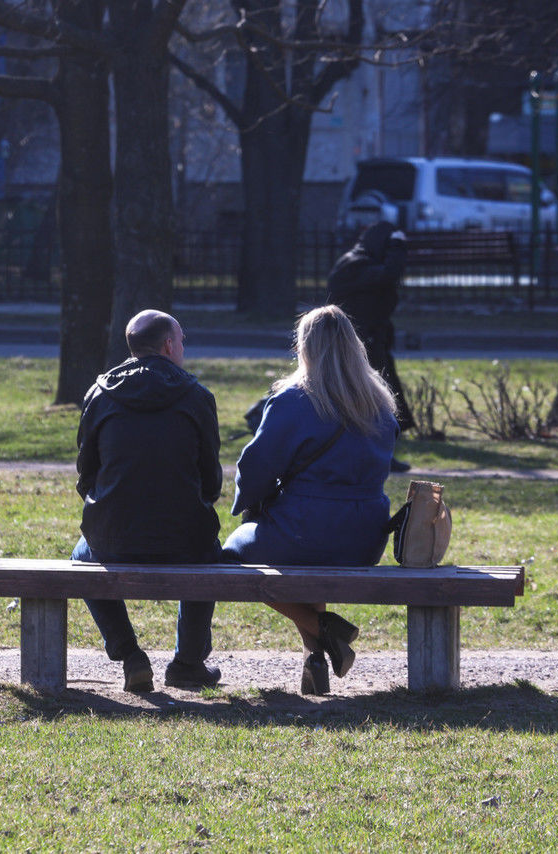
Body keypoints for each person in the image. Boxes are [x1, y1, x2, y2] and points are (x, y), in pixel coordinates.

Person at [222, 305, 399, 695]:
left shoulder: (294, 401)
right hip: (365, 539)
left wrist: (250, 503)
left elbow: (255, 469)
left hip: (302, 531)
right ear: (355, 349)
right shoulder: (382, 406)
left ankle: (323, 629)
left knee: (229, 556)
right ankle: (313, 661)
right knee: (304, 548)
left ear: (304, 349)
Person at [71, 309, 225, 693]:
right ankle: (188, 662)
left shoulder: (100, 394)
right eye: (182, 341)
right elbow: (212, 482)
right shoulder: (197, 396)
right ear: (169, 345)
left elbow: (85, 474)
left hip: (112, 538)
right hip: (186, 542)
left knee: (80, 558)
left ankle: (130, 656)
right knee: (208, 550)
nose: (183, 348)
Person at [326, 220, 415, 471]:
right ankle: (380, 454)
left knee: (378, 396)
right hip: (358, 344)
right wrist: (397, 247)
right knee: (372, 398)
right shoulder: (355, 265)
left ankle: (382, 450)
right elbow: (389, 275)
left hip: (367, 341)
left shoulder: (359, 262)